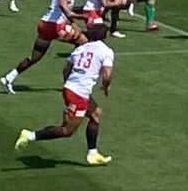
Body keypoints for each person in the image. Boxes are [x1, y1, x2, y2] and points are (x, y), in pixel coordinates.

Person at [13, 21, 114, 166]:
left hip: (72, 89)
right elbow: (107, 75)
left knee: (95, 114)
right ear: (105, 35)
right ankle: (30, 135)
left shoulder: (80, 49)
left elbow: (66, 69)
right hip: (78, 94)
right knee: (67, 130)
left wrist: (69, 85)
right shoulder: (106, 51)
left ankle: (93, 153)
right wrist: (105, 86)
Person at [0, 0, 88, 95]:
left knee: (34, 57)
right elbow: (62, 3)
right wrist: (76, 17)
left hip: (44, 24)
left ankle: (8, 77)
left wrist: (73, 20)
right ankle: (72, 80)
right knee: (84, 42)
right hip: (55, 26)